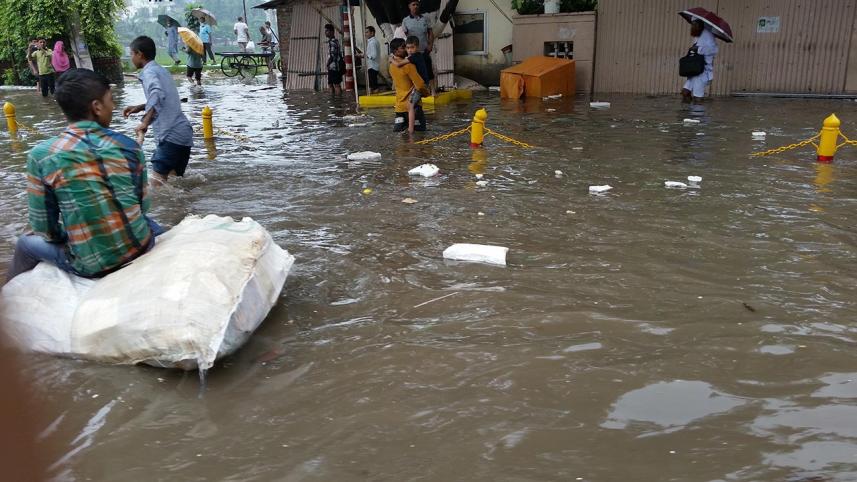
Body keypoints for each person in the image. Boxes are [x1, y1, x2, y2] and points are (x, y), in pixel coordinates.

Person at [5, 69, 162, 282]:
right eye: (110, 100)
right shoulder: (129, 147)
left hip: (93, 266)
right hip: (141, 246)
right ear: (97, 107)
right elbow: (142, 207)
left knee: (25, 243)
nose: (113, 106)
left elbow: (45, 228)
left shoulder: (41, 156)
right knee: (145, 221)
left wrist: (69, 237)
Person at [124, 36, 194, 185]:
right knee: (175, 184)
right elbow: (164, 97)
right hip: (184, 136)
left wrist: (145, 122)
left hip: (170, 135)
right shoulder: (161, 70)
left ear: (139, 54)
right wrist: (141, 107)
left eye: (131, 54)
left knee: (155, 185)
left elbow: (156, 94)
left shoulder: (148, 73)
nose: (131, 58)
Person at [389, 38, 429, 134]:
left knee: (399, 138)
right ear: (396, 51)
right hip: (414, 107)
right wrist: (426, 93)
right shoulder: (409, 66)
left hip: (399, 107)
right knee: (419, 137)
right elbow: (420, 85)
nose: (407, 50)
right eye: (404, 47)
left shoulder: (391, 66)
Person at [402, 0, 434, 94]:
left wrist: (430, 45)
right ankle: (415, 91)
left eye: (417, 5)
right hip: (412, 52)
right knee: (414, 72)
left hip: (424, 50)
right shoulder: (405, 20)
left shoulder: (425, 19)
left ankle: (432, 91)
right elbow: (403, 35)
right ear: (409, 6)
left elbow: (430, 33)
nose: (415, 6)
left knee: (428, 70)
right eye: (413, 5)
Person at [681, 19, 718, 102]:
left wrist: (699, 49)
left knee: (698, 97)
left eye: (695, 24)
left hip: (702, 71)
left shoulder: (708, 35)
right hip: (694, 69)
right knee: (685, 92)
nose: (692, 26)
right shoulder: (698, 35)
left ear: (700, 25)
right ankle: (687, 113)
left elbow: (714, 50)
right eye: (692, 24)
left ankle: (698, 113)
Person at [361, 26, 381, 93]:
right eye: (365, 32)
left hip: (372, 66)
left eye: (367, 32)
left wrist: (364, 55)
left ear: (372, 33)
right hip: (373, 66)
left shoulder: (372, 42)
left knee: (373, 85)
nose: (365, 34)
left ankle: (376, 100)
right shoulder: (373, 41)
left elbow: (373, 55)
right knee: (372, 84)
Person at [324, 23, 343, 94]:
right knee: (330, 84)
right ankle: (334, 100)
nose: (325, 33)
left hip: (335, 67)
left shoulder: (333, 42)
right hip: (332, 67)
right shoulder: (333, 41)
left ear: (332, 32)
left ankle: (338, 101)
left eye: (327, 31)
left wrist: (328, 63)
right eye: (325, 31)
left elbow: (332, 55)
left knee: (336, 85)